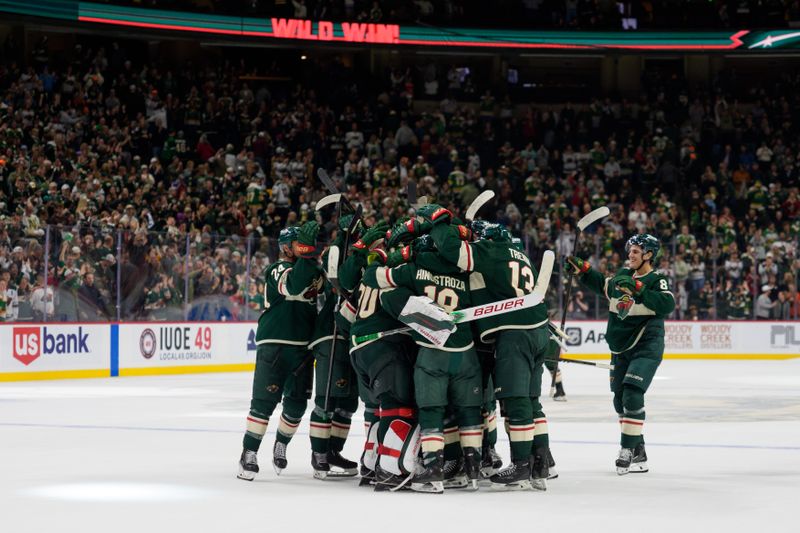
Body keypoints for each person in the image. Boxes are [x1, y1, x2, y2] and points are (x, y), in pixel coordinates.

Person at [425, 206, 554, 491]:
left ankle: (521, 465)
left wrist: (439, 223)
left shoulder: (488, 250)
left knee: (516, 400)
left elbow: (452, 251)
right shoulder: (520, 254)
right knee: (532, 401)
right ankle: (541, 462)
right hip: (539, 329)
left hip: (514, 333)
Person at [363, 232, 483, 493]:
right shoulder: (465, 272)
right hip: (466, 352)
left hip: (432, 352)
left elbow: (373, 280)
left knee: (432, 411)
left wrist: (381, 259)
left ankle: (433, 471)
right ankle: (473, 469)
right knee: (468, 411)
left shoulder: (414, 270)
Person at [566, 233, 675, 475]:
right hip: (620, 348)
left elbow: (667, 304)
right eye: (630, 251)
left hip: (647, 345)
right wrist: (583, 271)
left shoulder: (657, 279)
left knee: (632, 394)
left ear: (648, 254)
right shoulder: (623, 276)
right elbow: (602, 285)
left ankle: (626, 450)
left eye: (636, 251)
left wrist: (640, 290)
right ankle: (638, 449)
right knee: (619, 400)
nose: (630, 255)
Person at [237, 221, 323, 481]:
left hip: (302, 347)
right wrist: (308, 256)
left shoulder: (312, 268)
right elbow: (294, 286)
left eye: (304, 244)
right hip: (274, 344)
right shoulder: (277, 269)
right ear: (287, 248)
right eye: (299, 243)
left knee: (296, 405)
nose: (303, 247)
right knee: (263, 404)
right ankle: (248, 453)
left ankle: (281, 442)